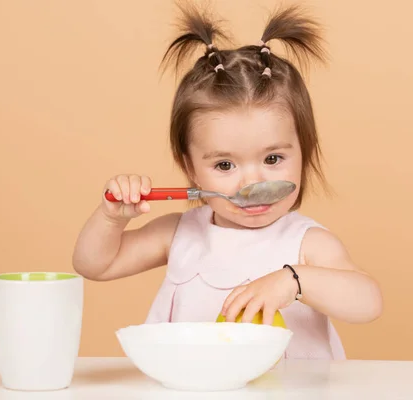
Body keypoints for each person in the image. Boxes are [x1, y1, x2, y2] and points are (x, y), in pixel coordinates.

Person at [72, 2, 383, 359]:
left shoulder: (306, 245)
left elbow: (368, 302)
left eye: (272, 159)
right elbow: (94, 264)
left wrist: (295, 280)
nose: (250, 182)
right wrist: (111, 219)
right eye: (224, 165)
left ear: (304, 153)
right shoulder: (181, 234)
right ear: (189, 167)